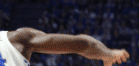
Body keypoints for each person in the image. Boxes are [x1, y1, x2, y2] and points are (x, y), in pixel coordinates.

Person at [0, 27, 129, 66]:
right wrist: (108, 54)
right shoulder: (15, 40)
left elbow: (82, 45)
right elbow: (83, 45)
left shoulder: (15, 40)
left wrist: (107, 54)